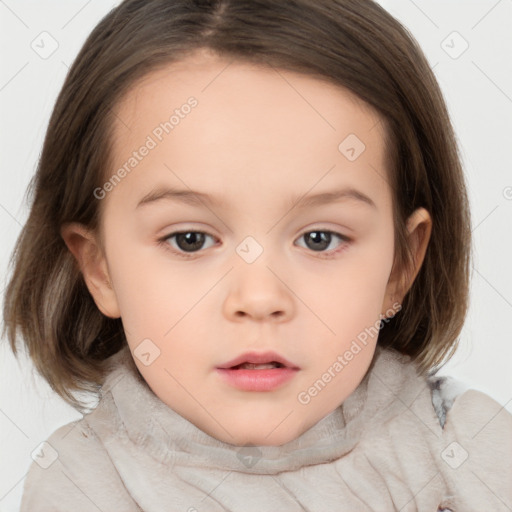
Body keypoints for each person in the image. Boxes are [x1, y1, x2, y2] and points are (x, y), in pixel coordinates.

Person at [3, 0, 511, 510]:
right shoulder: (81, 484)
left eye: (320, 238)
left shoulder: (467, 452)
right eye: (190, 240)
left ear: (401, 264)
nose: (260, 298)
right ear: (100, 268)